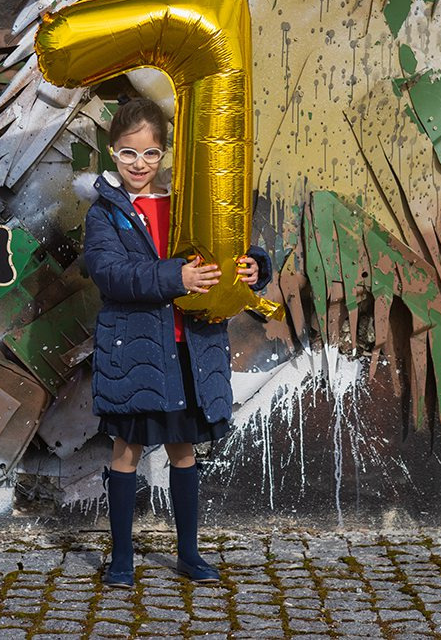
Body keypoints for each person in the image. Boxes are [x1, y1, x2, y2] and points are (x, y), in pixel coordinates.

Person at [83, 97, 273, 588]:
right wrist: (177, 275)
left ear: (164, 154)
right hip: (136, 354)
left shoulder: (191, 200)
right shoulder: (105, 213)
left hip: (188, 352)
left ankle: (189, 553)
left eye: (149, 155)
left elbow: (226, 247)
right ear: (112, 152)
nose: (139, 165)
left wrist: (254, 267)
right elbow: (111, 274)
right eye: (128, 154)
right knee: (125, 451)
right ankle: (121, 557)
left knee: (183, 450)